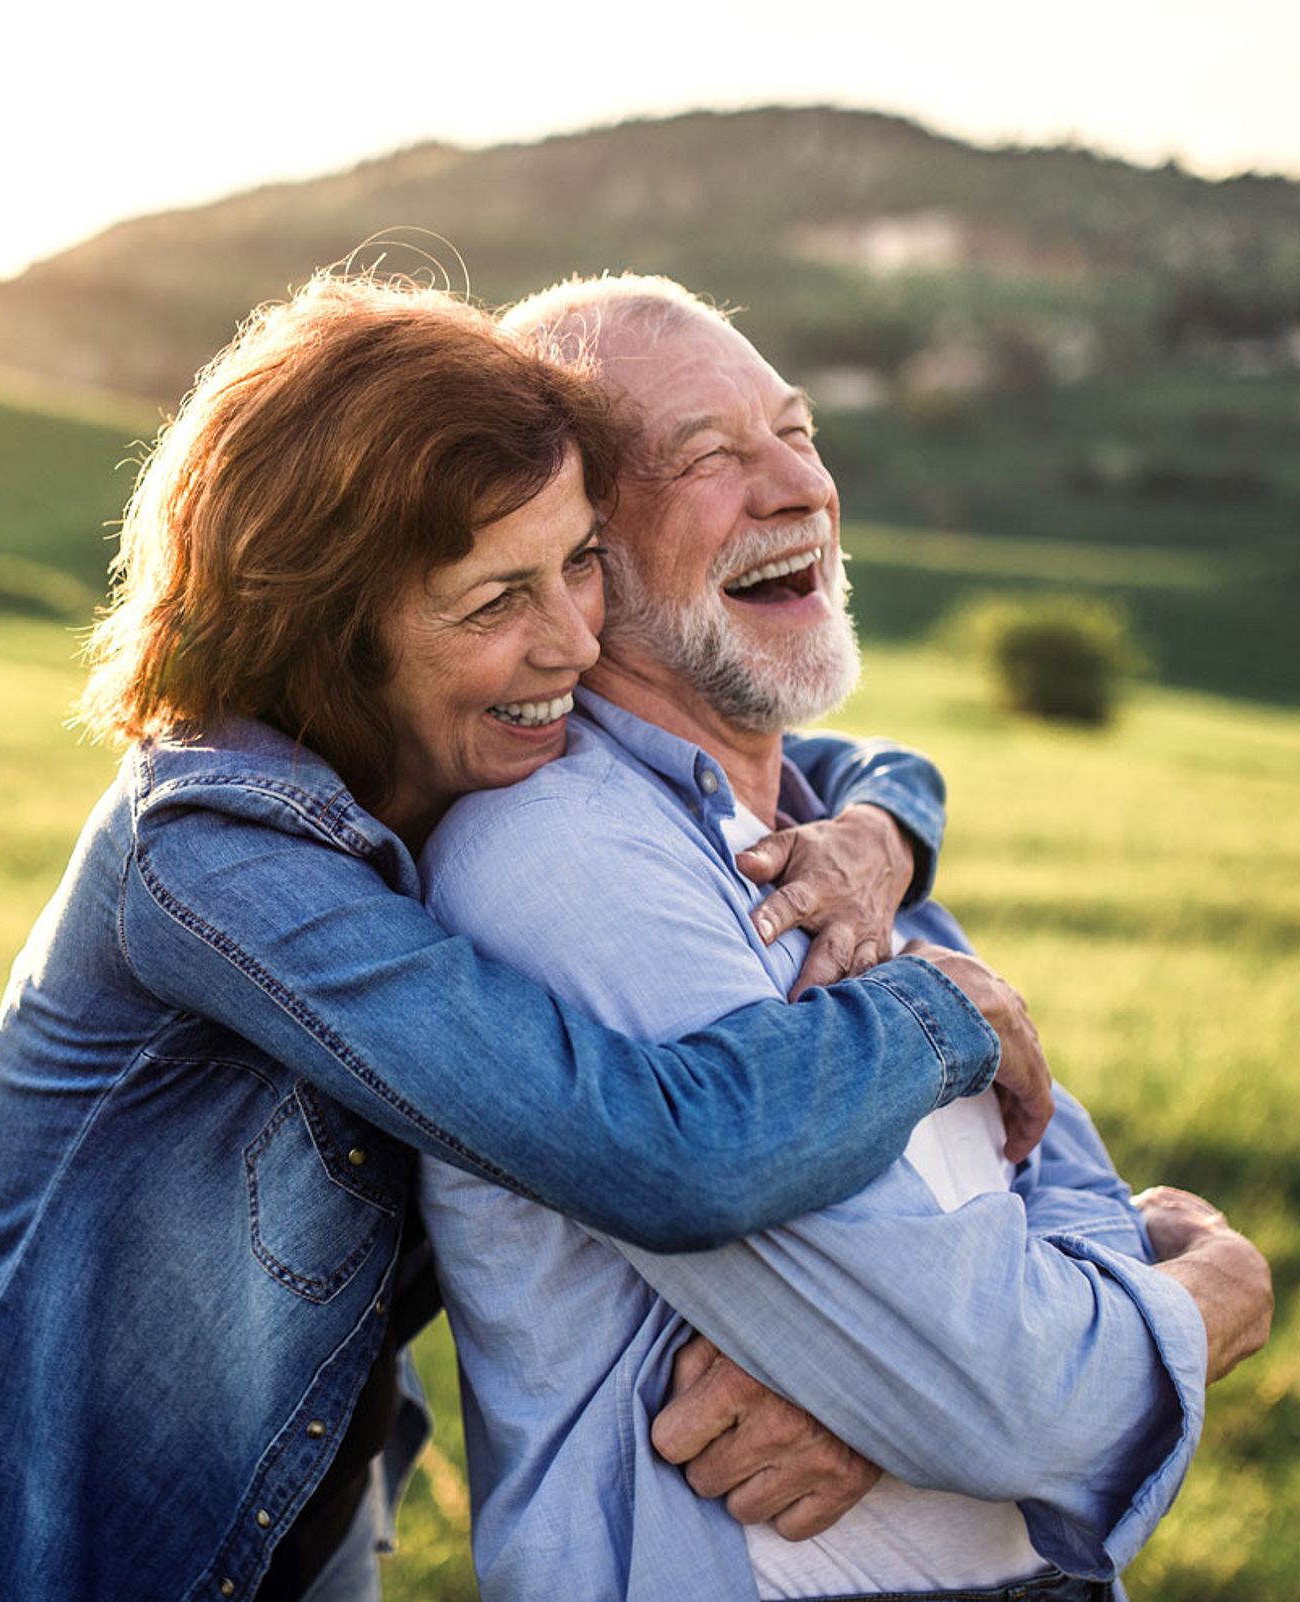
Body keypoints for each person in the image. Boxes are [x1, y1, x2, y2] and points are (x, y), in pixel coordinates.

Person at [0, 274, 1054, 1602]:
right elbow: (658, 1149)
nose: (572, 640)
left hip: (299, 1500)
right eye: (493, 600)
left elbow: (854, 758)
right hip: (55, 1541)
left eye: (577, 561)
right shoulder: (214, 858)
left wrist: (875, 838)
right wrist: (941, 1012)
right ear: (332, 630)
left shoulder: (443, 745)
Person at [417, 275, 1273, 1601]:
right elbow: (1012, 1398)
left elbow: (1057, 1192)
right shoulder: (566, 857)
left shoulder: (839, 843)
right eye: (706, 456)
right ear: (578, 553)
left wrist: (900, 1378)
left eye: (799, 432)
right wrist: (1220, 1288)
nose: (796, 488)